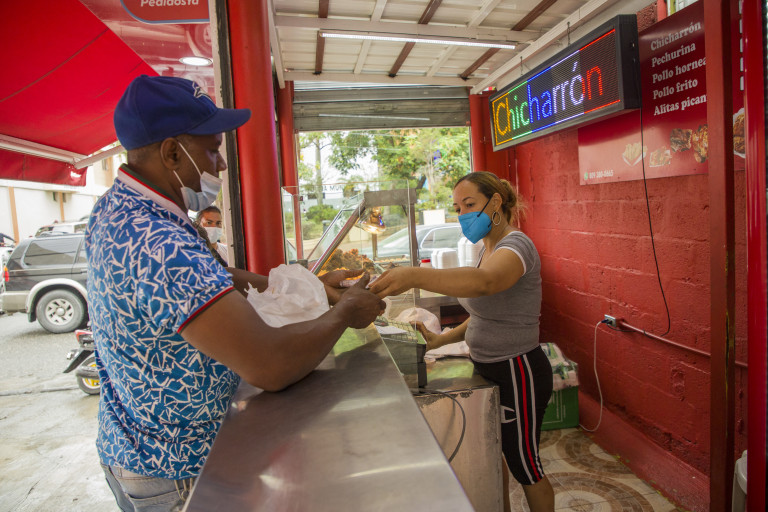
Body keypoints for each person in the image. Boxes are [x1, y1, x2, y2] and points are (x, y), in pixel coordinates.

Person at [86, 74, 384, 512]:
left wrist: (305, 286)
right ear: (172, 153)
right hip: (176, 468)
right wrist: (344, 314)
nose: (222, 164)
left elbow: (213, 277)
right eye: (212, 149)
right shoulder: (159, 243)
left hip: (133, 445)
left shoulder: (121, 208)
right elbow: (270, 365)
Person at [369, 171, 555, 512]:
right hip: (489, 367)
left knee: (525, 465)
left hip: (517, 370)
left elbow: (485, 283)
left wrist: (414, 274)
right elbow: (485, 314)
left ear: (495, 202)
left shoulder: (517, 246)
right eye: (457, 208)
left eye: (469, 204)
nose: (463, 214)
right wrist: (439, 340)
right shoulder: (487, 248)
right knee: (494, 453)